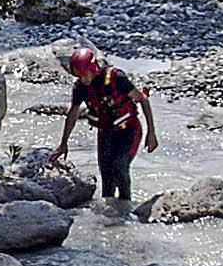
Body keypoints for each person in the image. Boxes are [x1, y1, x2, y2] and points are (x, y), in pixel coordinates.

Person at [58, 45, 158, 207]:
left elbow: (142, 99)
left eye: (85, 74)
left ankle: (126, 206)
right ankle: (110, 219)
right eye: (79, 76)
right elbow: (73, 114)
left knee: (119, 166)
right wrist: (64, 143)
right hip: (105, 133)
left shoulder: (116, 78)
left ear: (92, 68)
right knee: (107, 178)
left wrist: (151, 133)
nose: (83, 79)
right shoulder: (80, 88)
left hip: (129, 130)